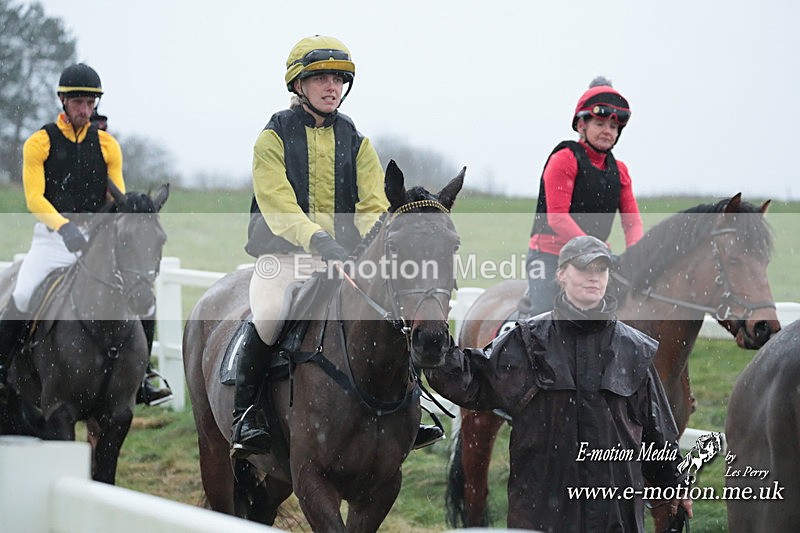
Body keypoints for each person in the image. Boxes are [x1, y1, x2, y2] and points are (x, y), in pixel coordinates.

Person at [232, 35, 444, 458]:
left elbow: (371, 206)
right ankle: (247, 414)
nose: (332, 87)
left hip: (346, 262)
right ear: (298, 85)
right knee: (271, 316)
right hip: (286, 257)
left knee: (392, 312)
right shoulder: (272, 138)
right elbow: (279, 206)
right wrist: (319, 240)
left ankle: (410, 409)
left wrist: (369, 244)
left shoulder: (358, 141)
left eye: (339, 80)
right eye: (321, 79)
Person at [426, 236, 693, 531]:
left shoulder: (634, 350)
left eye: (601, 269)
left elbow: (658, 434)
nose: (594, 277)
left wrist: (675, 484)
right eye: (584, 268)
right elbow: (472, 380)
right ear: (562, 274)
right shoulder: (528, 341)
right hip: (541, 513)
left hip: (615, 517)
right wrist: (432, 342)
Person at [0, 63, 172, 406]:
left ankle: (142, 379)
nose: (85, 110)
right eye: (78, 102)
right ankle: (4, 367)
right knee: (21, 294)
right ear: (63, 101)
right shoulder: (40, 142)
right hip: (52, 239)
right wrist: (63, 227)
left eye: (91, 103)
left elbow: (116, 198)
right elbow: (35, 198)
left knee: (143, 302)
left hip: (97, 241)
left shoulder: (108, 145)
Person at [519, 77, 644, 318]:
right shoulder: (565, 158)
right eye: (600, 123)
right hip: (550, 257)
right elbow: (557, 218)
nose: (608, 131)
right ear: (581, 125)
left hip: (597, 263)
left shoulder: (621, 171)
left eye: (613, 127)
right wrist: (597, 251)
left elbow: (632, 222)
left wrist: (635, 257)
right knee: (545, 322)